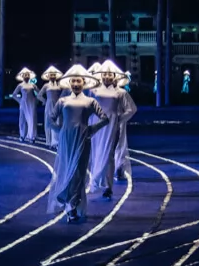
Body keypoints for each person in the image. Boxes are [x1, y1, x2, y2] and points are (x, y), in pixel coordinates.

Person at [47, 64, 109, 223]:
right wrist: (60, 130)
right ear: (69, 83)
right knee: (67, 170)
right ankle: (70, 206)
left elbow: (105, 119)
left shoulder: (90, 101)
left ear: (84, 83)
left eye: (79, 81)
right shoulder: (62, 101)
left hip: (83, 140)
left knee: (79, 173)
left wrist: (91, 129)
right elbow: (50, 119)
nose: (75, 84)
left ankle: (72, 205)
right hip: (66, 140)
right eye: (73, 81)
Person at [89, 60, 137, 199]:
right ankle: (97, 179)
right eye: (105, 74)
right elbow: (90, 108)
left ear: (114, 76)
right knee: (97, 152)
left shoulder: (120, 92)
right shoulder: (94, 91)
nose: (107, 77)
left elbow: (132, 109)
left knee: (109, 155)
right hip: (97, 125)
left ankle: (108, 187)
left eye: (110, 74)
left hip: (112, 127)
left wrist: (118, 119)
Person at [37, 65, 63, 149]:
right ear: (48, 76)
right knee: (49, 122)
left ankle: (56, 142)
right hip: (49, 105)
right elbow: (39, 95)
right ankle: (49, 141)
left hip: (57, 104)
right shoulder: (46, 86)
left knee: (58, 122)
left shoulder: (59, 85)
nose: (53, 76)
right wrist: (45, 101)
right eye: (51, 75)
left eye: (54, 75)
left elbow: (62, 95)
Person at [12, 67, 39, 143]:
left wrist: (36, 100)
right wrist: (20, 101)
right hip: (23, 103)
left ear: (29, 76)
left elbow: (39, 93)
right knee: (22, 120)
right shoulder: (20, 85)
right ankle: (22, 135)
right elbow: (14, 94)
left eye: (28, 75)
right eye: (25, 75)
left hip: (31, 103)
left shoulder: (33, 85)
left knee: (32, 120)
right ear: (22, 76)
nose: (26, 76)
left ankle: (31, 137)